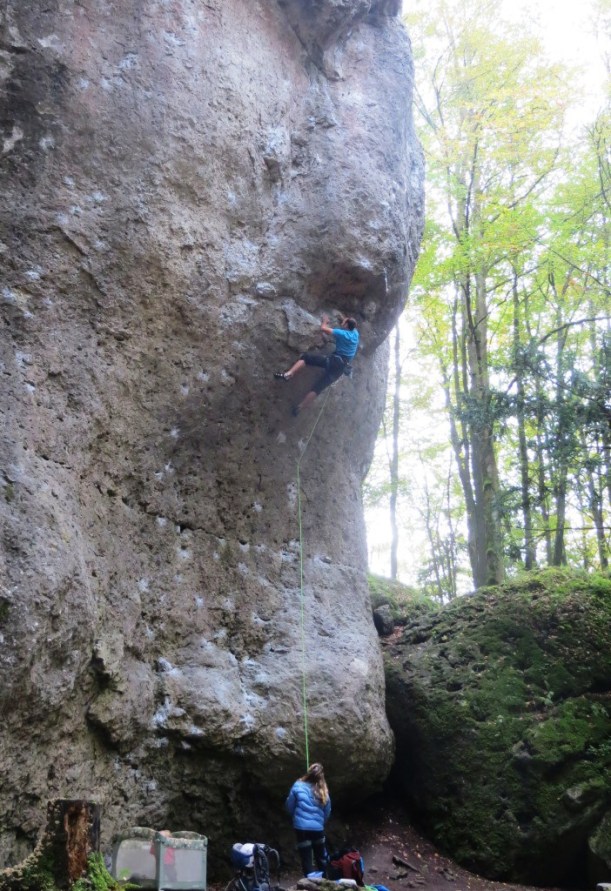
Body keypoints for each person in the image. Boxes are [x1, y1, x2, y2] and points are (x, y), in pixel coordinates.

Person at [274, 313, 359, 416]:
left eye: (344, 321)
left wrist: (325, 321)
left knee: (306, 358)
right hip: (341, 368)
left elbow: (324, 328)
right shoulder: (355, 333)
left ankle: (289, 374)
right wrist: (343, 319)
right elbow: (350, 323)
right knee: (318, 388)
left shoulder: (341, 333)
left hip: (334, 361)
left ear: (345, 326)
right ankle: (299, 408)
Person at [285, 762, 331, 877]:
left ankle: (309, 885)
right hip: (318, 829)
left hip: (301, 829)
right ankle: (326, 884)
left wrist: (296, 818)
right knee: (321, 858)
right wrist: (320, 823)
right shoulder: (323, 790)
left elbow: (289, 806)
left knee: (306, 859)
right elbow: (327, 811)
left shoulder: (297, 785)